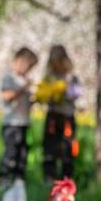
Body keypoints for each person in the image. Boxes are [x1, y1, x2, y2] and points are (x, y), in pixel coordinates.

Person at [36, 44, 84, 184]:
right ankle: (49, 177)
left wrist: (65, 92)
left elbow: (78, 93)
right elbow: (41, 94)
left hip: (67, 116)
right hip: (53, 115)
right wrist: (47, 95)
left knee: (67, 146)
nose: (57, 66)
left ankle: (66, 178)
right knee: (50, 146)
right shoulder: (49, 77)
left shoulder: (71, 77)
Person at [0, 47, 39, 185]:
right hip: (11, 123)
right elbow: (7, 96)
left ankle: (18, 179)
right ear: (19, 61)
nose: (28, 70)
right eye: (28, 66)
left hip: (24, 123)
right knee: (11, 152)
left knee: (23, 153)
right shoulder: (9, 78)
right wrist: (23, 89)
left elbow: (27, 102)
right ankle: (4, 178)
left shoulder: (25, 80)